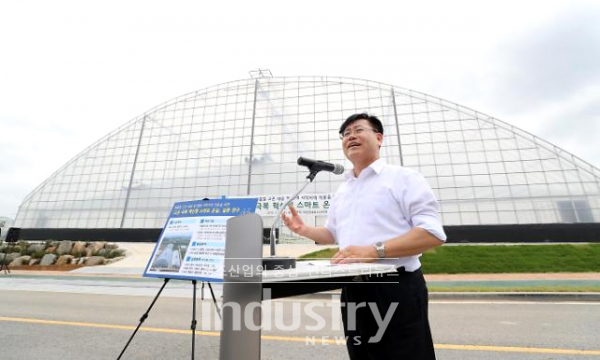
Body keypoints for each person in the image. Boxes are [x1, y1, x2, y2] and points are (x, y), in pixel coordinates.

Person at [282, 113, 446, 359]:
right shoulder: (344, 189)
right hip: (352, 286)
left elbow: (432, 233)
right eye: (346, 134)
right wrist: (304, 230)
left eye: (358, 130)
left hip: (395, 287)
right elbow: (333, 233)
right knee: (361, 354)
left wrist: (373, 251)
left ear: (379, 138)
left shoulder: (404, 179)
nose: (351, 136)